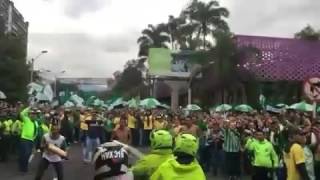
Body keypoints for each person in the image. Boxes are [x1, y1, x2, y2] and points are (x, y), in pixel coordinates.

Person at [19, 107, 38, 172]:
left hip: (31, 140)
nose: (33, 115)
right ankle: (23, 167)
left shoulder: (36, 123)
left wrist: (34, 140)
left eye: (34, 114)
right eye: (32, 114)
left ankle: (24, 166)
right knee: (26, 153)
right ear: (29, 115)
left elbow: (36, 132)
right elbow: (22, 113)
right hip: (24, 139)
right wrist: (30, 107)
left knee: (28, 154)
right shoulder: (26, 119)